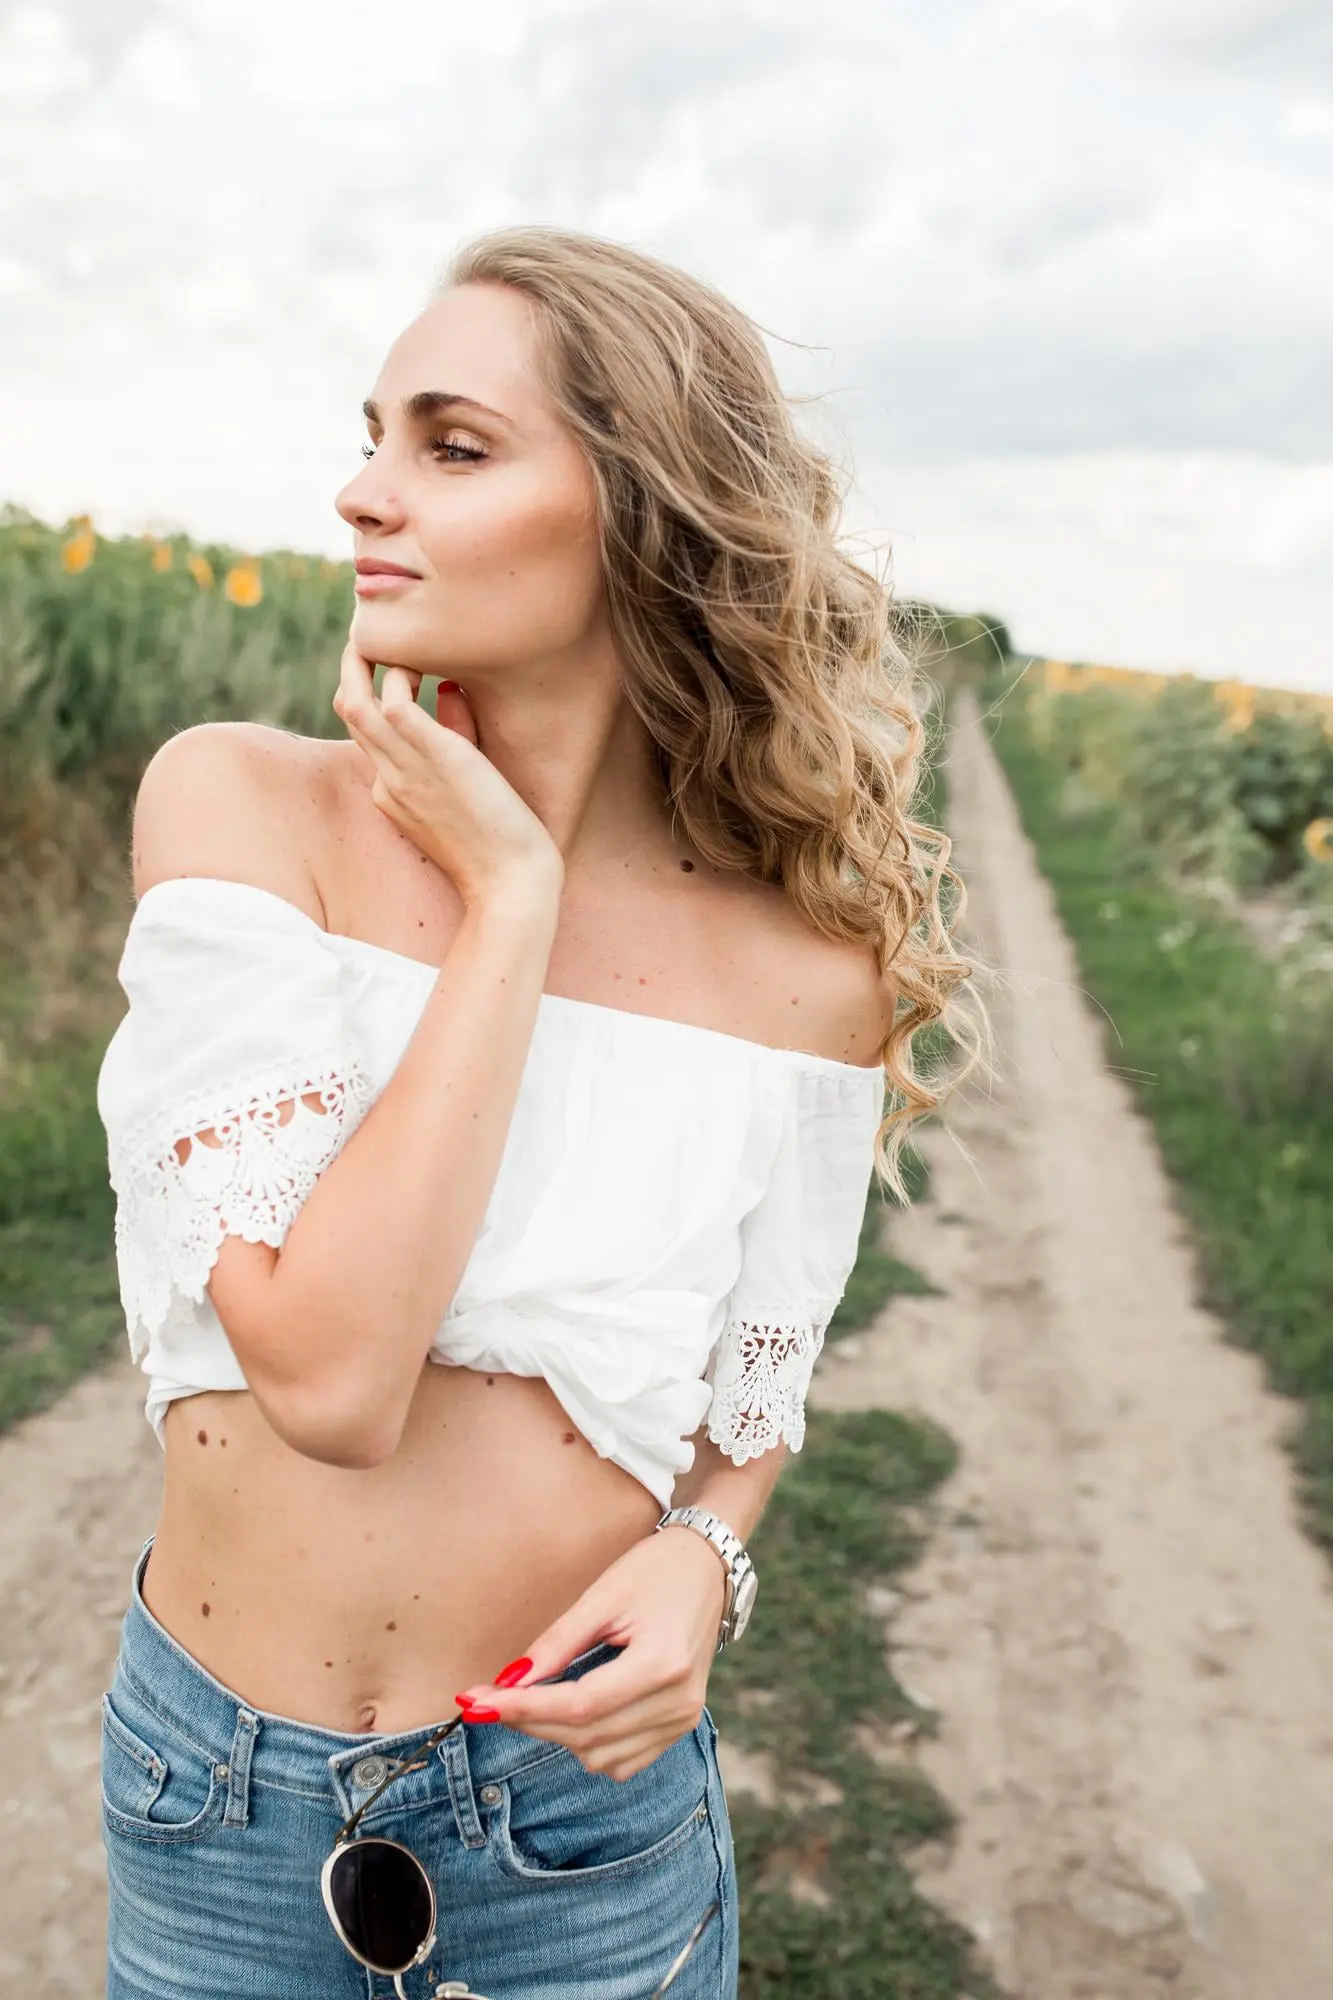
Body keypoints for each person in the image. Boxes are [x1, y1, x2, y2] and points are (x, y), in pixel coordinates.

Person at [93, 224, 979, 1999]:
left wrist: (706, 1563)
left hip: (576, 1821)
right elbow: (332, 1380)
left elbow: (757, 1380)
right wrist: (509, 907)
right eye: (370, 433)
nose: (361, 492)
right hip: (214, 1808)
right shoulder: (242, 812)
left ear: (641, 511)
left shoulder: (808, 972)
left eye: (452, 443)